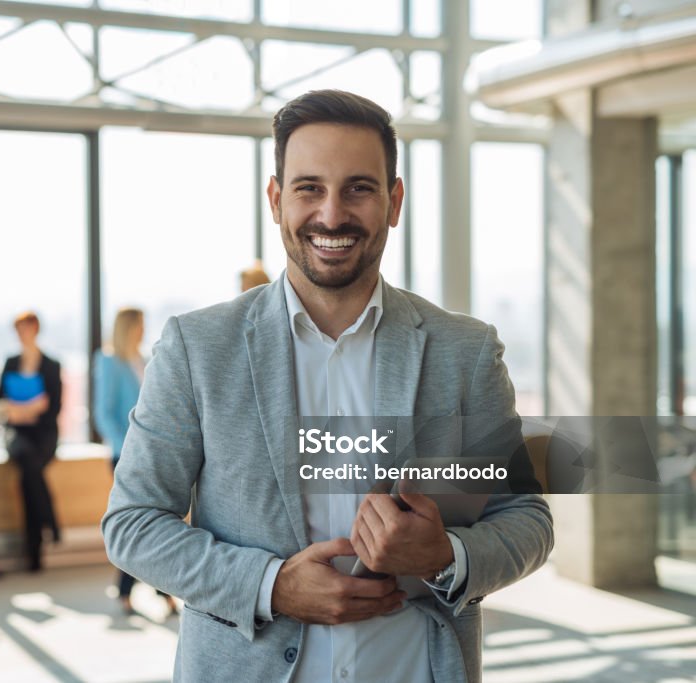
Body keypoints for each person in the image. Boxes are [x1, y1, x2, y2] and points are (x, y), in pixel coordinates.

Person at [102, 90, 554, 682]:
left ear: (394, 202)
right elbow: (133, 523)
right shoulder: (197, 349)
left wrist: (447, 556)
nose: (333, 215)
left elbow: (524, 517)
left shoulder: (463, 352)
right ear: (275, 199)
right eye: (309, 187)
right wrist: (271, 586)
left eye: (359, 188)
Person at [92, 308, 178, 616]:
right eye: (139, 325)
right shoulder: (108, 361)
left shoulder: (143, 359)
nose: (143, 330)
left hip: (152, 450)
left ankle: (138, 591)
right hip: (124, 453)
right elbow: (103, 412)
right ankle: (156, 593)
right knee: (140, 520)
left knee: (151, 520)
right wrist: (125, 447)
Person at [0, 311, 61, 572]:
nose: (21, 334)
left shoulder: (51, 365)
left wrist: (24, 409)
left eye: (25, 328)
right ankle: (50, 522)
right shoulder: (10, 363)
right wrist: (29, 409)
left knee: (29, 471)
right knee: (28, 462)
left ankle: (34, 550)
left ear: (35, 329)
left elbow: (53, 407)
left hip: (43, 434)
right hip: (17, 434)